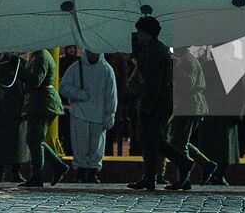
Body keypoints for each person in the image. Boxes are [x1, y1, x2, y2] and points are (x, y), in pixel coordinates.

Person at [127, 15, 180, 191]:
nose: (138, 35)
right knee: (153, 139)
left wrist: (146, 106)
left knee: (150, 139)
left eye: (140, 32)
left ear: (146, 32)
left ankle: (154, 175)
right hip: (161, 101)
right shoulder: (157, 48)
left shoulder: (153, 51)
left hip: (157, 103)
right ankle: (152, 176)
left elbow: (153, 82)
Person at [59, 50, 117, 183]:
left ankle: (89, 172)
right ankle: (85, 172)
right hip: (84, 113)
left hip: (90, 113)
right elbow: (64, 87)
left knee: (93, 146)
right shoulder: (104, 69)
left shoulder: (105, 69)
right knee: (84, 145)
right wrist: (79, 94)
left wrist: (110, 113)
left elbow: (111, 95)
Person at [164, 46, 214, 190]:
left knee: (179, 143)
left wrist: (175, 67)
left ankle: (183, 178)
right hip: (189, 104)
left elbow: (188, 83)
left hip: (189, 105)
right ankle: (206, 164)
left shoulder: (186, 61)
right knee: (179, 140)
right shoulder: (187, 60)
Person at [19, 47, 67, 187]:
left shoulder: (40, 57)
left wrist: (20, 69)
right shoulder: (37, 55)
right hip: (39, 103)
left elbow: (35, 80)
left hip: (43, 103)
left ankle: (37, 175)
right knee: (35, 138)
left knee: (35, 138)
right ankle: (57, 166)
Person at [0, 53, 28, 182]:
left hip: (17, 108)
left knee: (17, 142)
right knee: (0, 141)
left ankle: (16, 171)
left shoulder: (21, 64)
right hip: (0, 108)